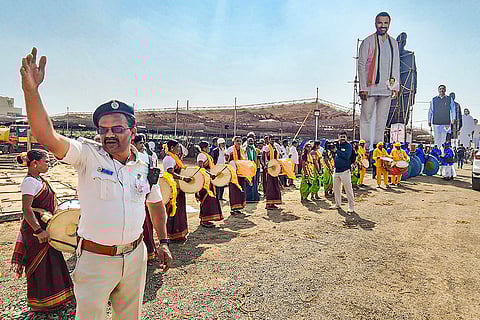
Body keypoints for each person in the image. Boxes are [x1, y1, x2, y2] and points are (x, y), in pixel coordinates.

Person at [20, 47, 172, 319]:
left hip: (136, 255)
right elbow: (47, 136)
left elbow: (156, 204)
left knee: (130, 316)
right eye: (103, 130)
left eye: (117, 129)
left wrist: (163, 241)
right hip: (96, 259)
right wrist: (32, 93)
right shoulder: (87, 155)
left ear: (132, 131)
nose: (109, 134)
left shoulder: (146, 163)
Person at [11, 150, 74, 312]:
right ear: (34, 163)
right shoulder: (30, 182)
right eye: (46, 161)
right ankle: (42, 303)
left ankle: (56, 299)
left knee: (52, 262)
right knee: (40, 265)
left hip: (46, 226)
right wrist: (39, 231)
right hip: (35, 230)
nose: (49, 164)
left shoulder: (39, 179)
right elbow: (26, 209)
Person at [358, 12, 400, 151]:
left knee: (381, 120)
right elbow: (362, 65)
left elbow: (395, 65)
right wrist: (363, 87)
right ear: (375, 23)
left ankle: (378, 148)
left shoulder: (393, 43)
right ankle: (364, 148)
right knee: (366, 118)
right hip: (369, 87)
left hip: (386, 88)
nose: (383, 26)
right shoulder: (367, 41)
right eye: (380, 23)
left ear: (389, 24)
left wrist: (395, 87)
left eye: (385, 23)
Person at [387, 32, 417, 134]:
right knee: (389, 114)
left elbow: (414, 75)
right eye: (399, 42)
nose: (401, 44)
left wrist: (413, 94)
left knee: (403, 117)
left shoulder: (409, 56)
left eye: (403, 42)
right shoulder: (389, 56)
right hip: (392, 91)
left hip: (406, 92)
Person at [133, 134, 157, 261]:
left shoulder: (147, 157)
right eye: (140, 143)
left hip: (143, 197)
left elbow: (152, 177)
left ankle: (148, 252)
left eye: (143, 143)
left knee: (146, 225)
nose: (142, 146)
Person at [163, 139, 192, 241]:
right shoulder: (169, 159)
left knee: (179, 209)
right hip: (173, 188)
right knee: (173, 210)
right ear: (172, 148)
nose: (179, 149)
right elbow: (170, 173)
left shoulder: (174, 158)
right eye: (178, 147)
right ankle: (172, 234)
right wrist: (183, 178)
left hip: (178, 187)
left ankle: (179, 233)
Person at [195, 141, 224, 227]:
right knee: (206, 199)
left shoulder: (206, 155)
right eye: (208, 147)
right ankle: (204, 220)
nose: (209, 148)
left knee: (210, 199)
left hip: (209, 180)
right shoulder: (201, 155)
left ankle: (206, 219)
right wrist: (211, 174)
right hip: (204, 181)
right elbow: (201, 167)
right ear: (204, 148)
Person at [329, 132, 355, 212]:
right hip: (336, 170)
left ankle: (351, 207)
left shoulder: (348, 146)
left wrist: (337, 151)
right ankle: (337, 204)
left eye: (344, 137)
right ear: (338, 136)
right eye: (341, 136)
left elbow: (346, 156)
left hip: (345, 171)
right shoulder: (337, 144)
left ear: (346, 137)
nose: (342, 138)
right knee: (336, 189)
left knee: (348, 189)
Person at [225, 136, 247, 214]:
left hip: (241, 173)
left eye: (240, 141)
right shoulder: (230, 150)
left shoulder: (243, 150)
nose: (239, 142)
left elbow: (245, 160)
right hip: (233, 173)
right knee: (234, 190)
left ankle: (239, 207)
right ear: (233, 142)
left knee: (241, 189)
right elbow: (226, 160)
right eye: (237, 141)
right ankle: (233, 208)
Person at [261, 135, 283, 209]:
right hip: (269, 169)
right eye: (271, 139)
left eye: (273, 139)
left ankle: (273, 203)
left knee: (275, 185)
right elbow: (263, 158)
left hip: (275, 169)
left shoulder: (275, 148)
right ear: (269, 140)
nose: (273, 141)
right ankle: (268, 203)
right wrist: (265, 166)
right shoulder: (266, 148)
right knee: (269, 186)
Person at [245, 137, 260, 202]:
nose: (251, 142)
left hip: (253, 167)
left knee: (254, 182)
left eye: (252, 141)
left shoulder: (254, 149)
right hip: (247, 168)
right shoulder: (245, 149)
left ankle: (254, 197)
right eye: (250, 141)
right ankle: (248, 198)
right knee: (248, 183)